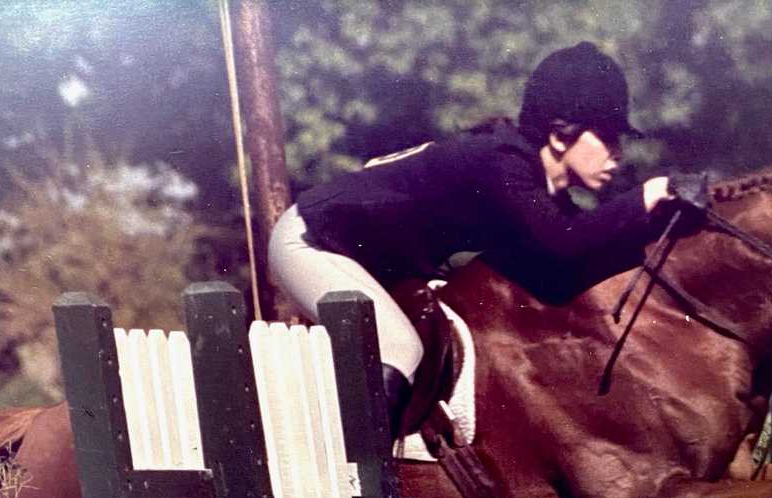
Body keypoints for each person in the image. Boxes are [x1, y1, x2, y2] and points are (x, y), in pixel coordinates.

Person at [269, 41, 697, 437]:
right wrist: (648, 194)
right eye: (606, 135)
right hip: (313, 239)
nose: (617, 152)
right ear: (559, 134)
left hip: (360, 257)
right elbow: (566, 242)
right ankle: (359, 482)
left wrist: (662, 223)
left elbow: (573, 260)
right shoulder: (501, 164)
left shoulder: (532, 184)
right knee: (399, 348)